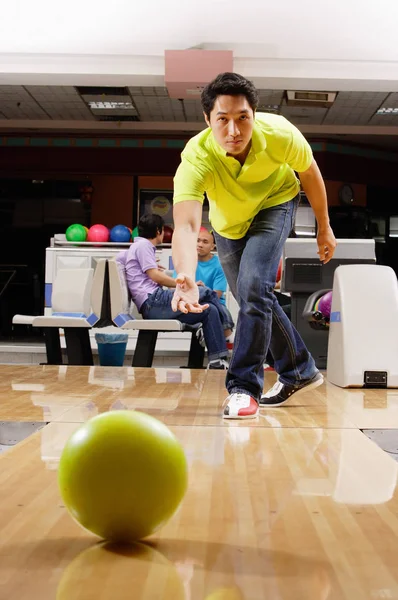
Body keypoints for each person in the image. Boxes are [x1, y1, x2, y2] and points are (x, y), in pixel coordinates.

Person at [171, 72, 337, 419]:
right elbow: (186, 225)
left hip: (276, 204)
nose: (234, 130)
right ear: (207, 120)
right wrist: (184, 275)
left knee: (253, 287)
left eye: (242, 118)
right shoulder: (196, 158)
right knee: (253, 297)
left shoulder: (280, 134)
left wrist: (324, 226)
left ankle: (244, 388)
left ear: (255, 115)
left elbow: (310, 174)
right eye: (223, 120)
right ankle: (299, 369)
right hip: (229, 226)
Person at [117, 213, 229, 369]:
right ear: (158, 231)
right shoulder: (144, 246)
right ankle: (227, 324)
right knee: (205, 292)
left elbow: (123, 261)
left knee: (209, 310)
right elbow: (157, 277)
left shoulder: (137, 246)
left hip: (153, 304)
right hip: (153, 302)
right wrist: (185, 284)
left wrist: (148, 267)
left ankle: (218, 361)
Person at [173, 226, 235, 340]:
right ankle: (227, 338)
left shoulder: (219, 265)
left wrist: (200, 291)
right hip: (187, 302)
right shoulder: (185, 261)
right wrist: (192, 289)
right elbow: (175, 287)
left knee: (211, 304)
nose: (200, 244)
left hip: (214, 304)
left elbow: (217, 295)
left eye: (205, 242)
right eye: (197, 240)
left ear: (212, 246)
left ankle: (225, 341)